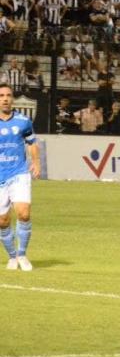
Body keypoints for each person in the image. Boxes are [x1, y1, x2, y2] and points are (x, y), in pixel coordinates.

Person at [0, 84, 40, 271]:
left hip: (19, 173)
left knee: (23, 213)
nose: (5, 98)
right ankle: (12, 256)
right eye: (1, 95)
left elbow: (32, 143)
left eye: (8, 95)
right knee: (2, 221)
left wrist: (36, 162)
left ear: (13, 98)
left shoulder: (24, 121)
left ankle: (22, 254)